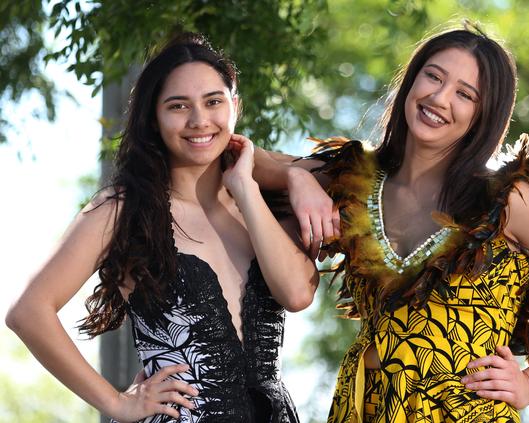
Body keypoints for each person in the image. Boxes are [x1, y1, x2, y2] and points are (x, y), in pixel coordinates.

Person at [253, 24, 529, 422]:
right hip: (363, 410)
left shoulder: (507, 200)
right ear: (411, 79)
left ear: (483, 115)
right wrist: (295, 176)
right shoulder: (354, 179)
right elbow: (236, 155)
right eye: (433, 76)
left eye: (464, 94)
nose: (439, 98)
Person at [5, 33, 318, 423]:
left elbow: (296, 294)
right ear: (154, 118)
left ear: (235, 106)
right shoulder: (123, 210)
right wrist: (117, 402)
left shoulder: (262, 206)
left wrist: (275, 181)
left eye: (213, 101)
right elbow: (28, 312)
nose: (199, 120)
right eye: (178, 106)